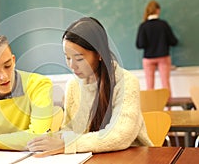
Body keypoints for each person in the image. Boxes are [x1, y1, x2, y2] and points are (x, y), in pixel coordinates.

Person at [26, 17, 153, 156]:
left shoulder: (126, 82)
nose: (72, 65)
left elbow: (119, 136)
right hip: (91, 158)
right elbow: (69, 129)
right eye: (67, 57)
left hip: (133, 157)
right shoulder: (73, 86)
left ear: (99, 54)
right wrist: (54, 138)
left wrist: (67, 144)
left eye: (79, 58)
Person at [136, 0, 178, 96]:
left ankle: (152, 109)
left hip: (148, 58)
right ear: (158, 10)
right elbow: (173, 41)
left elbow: (140, 44)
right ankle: (169, 109)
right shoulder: (163, 24)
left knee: (149, 86)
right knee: (165, 85)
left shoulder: (143, 26)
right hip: (163, 57)